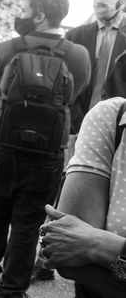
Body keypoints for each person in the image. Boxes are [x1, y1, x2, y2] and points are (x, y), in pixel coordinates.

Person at [0, 0, 90, 297]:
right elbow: (74, 98)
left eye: (21, 9)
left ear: (38, 15)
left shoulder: (7, 49)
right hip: (46, 153)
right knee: (28, 222)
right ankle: (13, 289)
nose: (17, 15)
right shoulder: (77, 56)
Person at [39, 97, 126, 298]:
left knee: (6, 219)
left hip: (18, 148)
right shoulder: (112, 117)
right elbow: (70, 259)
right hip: (52, 143)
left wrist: (97, 244)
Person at [66, 0, 126, 158]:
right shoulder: (74, 37)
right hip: (78, 130)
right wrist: (79, 122)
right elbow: (67, 86)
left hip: (119, 130)